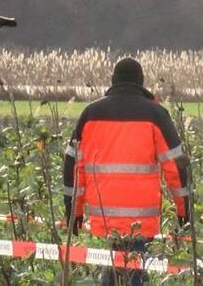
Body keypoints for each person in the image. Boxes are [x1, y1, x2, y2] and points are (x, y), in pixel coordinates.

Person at [63, 57, 189, 286]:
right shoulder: (156, 114)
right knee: (132, 273)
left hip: (104, 215)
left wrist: (74, 210)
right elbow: (176, 167)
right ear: (141, 82)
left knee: (116, 270)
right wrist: (184, 211)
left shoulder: (90, 114)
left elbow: (73, 164)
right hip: (141, 219)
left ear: (113, 81)